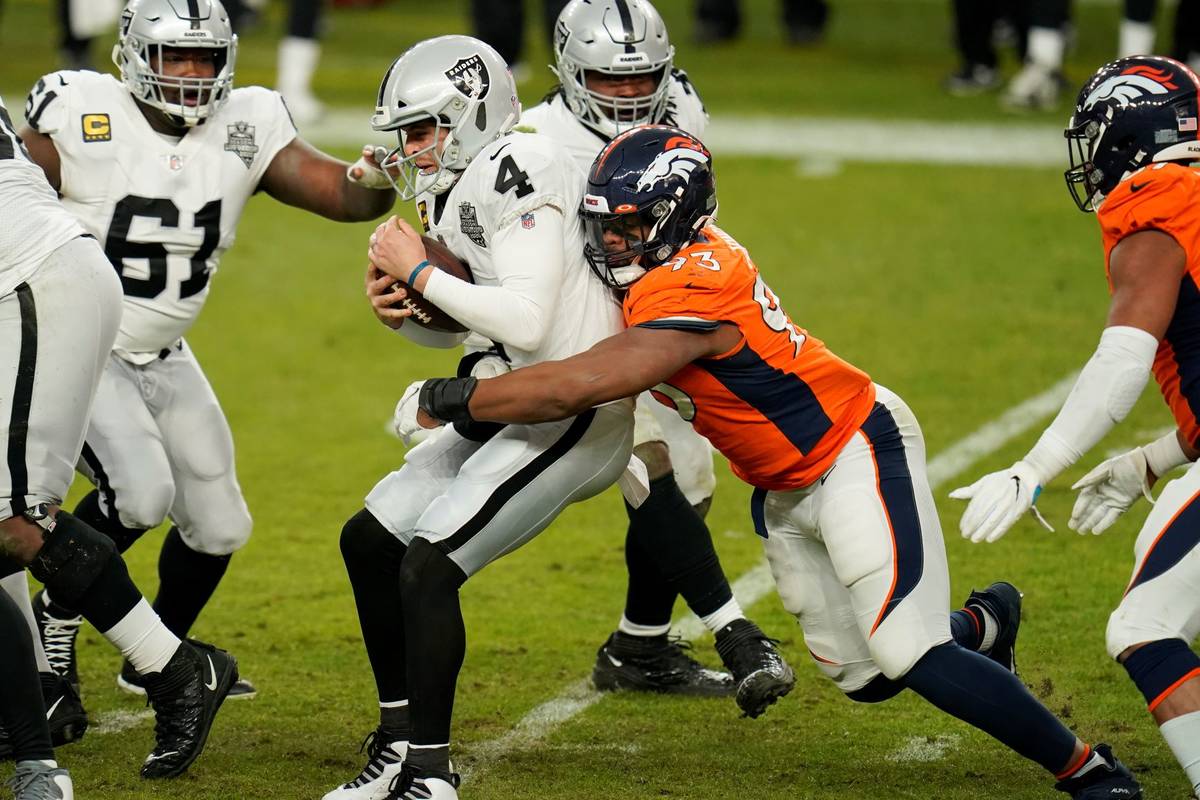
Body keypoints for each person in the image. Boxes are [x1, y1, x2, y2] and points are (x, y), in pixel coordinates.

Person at [408, 124, 1144, 800]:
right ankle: (983, 625)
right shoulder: (663, 263)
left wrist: (456, 395)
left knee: (908, 652)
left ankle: (1089, 771)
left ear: (672, 221)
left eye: (627, 228)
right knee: (865, 676)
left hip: (856, 449)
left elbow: (583, 382)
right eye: (603, 226)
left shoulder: (693, 282)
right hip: (784, 488)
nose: (610, 245)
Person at [16, 0, 394, 705]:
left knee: (220, 526)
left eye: (206, 58)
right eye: (174, 57)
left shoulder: (246, 121)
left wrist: (379, 175)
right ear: (131, 54)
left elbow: (339, 197)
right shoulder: (80, 110)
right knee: (140, 493)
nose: (192, 73)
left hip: (162, 350)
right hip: (82, 340)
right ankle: (55, 621)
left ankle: (150, 659)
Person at [328, 34, 643, 800]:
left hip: (571, 409)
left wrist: (420, 270)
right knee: (369, 541)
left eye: (423, 128)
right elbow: (484, 325)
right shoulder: (467, 177)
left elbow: (529, 321)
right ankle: (399, 742)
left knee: (429, 566)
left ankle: (429, 776)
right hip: (512, 394)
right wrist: (404, 313)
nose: (411, 148)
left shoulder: (520, 166)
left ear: (470, 117)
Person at [520, 0, 796, 703]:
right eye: (608, 80)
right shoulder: (531, 141)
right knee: (649, 470)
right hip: (568, 326)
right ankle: (733, 633)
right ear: (570, 72)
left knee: (695, 485)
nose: (628, 94)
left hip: (657, 319)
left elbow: (692, 216)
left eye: (641, 79)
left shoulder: (685, 109)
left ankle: (637, 648)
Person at [951, 55, 1200, 798]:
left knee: (1144, 628)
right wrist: (1150, 461)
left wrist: (1038, 464)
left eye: (1098, 136)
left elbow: (1122, 361)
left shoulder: (1159, 207)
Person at [0, 93, 237, 782]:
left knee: (16, 520)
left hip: (32, 285)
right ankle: (44, 692)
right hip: (39, 276)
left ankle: (171, 668)